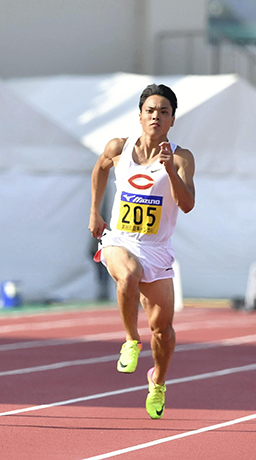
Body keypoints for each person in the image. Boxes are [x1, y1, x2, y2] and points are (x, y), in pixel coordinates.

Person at [88, 83, 196, 420]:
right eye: (150, 110)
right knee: (129, 274)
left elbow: (188, 204)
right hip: (119, 239)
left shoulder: (180, 158)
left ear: (172, 120)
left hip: (156, 248)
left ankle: (159, 381)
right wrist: (94, 211)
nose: (156, 116)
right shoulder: (119, 147)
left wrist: (168, 171)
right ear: (140, 116)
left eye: (164, 112)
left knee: (163, 331)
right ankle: (131, 340)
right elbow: (100, 168)